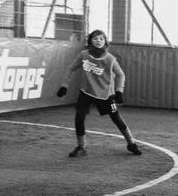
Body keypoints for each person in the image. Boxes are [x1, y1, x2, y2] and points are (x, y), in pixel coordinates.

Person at [55, 29, 143, 158]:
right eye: (96, 38)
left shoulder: (110, 59)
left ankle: (131, 143)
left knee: (116, 119)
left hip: (105, 94)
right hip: (86, 92)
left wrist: (119, 91)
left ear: (105, 42)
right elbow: (70, 68)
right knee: (79, 117)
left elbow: (120, 75)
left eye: (101, 39)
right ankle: (81, 147)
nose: (99, 41)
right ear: (90, 40)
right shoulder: (83, 55)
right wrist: (64, 86)